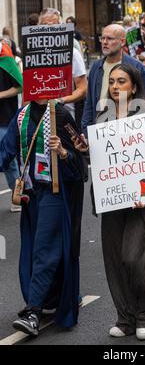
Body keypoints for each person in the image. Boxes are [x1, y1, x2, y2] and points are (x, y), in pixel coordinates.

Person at [75, 64, 145, 340]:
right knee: (114, 260)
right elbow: (103, 161)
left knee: (132, 257)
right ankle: (125, 319)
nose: (115, 86)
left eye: (121, 81)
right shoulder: (103, 116)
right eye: (111, 81)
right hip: (113, 199)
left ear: (134, 86)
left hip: (142, 201)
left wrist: (144, 193)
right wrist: (86, 151)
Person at [0, 98, 85, 336]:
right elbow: (5, 152)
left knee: (44, 250)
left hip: (55, 192)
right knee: (35, 249)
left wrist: (63, 152)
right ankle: (61, 295)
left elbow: (81, 160)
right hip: (31, 194)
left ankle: (33, 313)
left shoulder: (61, 115)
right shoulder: (21, 116)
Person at [81, 23, 145, 133]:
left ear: (122, 42)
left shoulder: (137, 67)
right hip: (100, 131)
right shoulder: (96, 67)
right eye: (102, 38)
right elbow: (89, 103)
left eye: (109, 39)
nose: (104, 42)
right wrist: (86, 132)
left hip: (129, 131)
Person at [39, 9, 87, 129]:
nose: (50, 29)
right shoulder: (34, 54)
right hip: (38, 118)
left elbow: (82, 88)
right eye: (45, 25)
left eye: (54, 25)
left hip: (66, 118)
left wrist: (60, 100)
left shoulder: (73, 53)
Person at [0, 40, 23, 212]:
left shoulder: (7, 60)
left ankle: (17, 197)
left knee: (8, 159)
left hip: (4, 118)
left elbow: (20, 87)